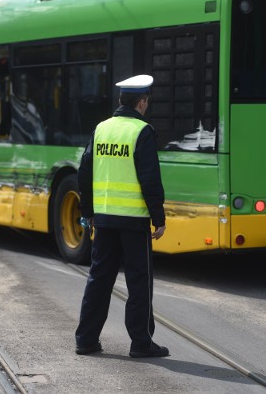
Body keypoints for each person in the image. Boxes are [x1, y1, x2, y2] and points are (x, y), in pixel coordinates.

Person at [74, 74, 169, 358]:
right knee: (139, 282)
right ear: (141, 103)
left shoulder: (101, 129)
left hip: (103, 219)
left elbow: (84, 172)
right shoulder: (142, 131)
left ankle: (86, 340)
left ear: (120, 100)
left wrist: (88, 212)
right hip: (133, 221)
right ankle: (141, 343)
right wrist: (158, 217)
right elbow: (150, 179)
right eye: (146, 102)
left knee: (99, 279)